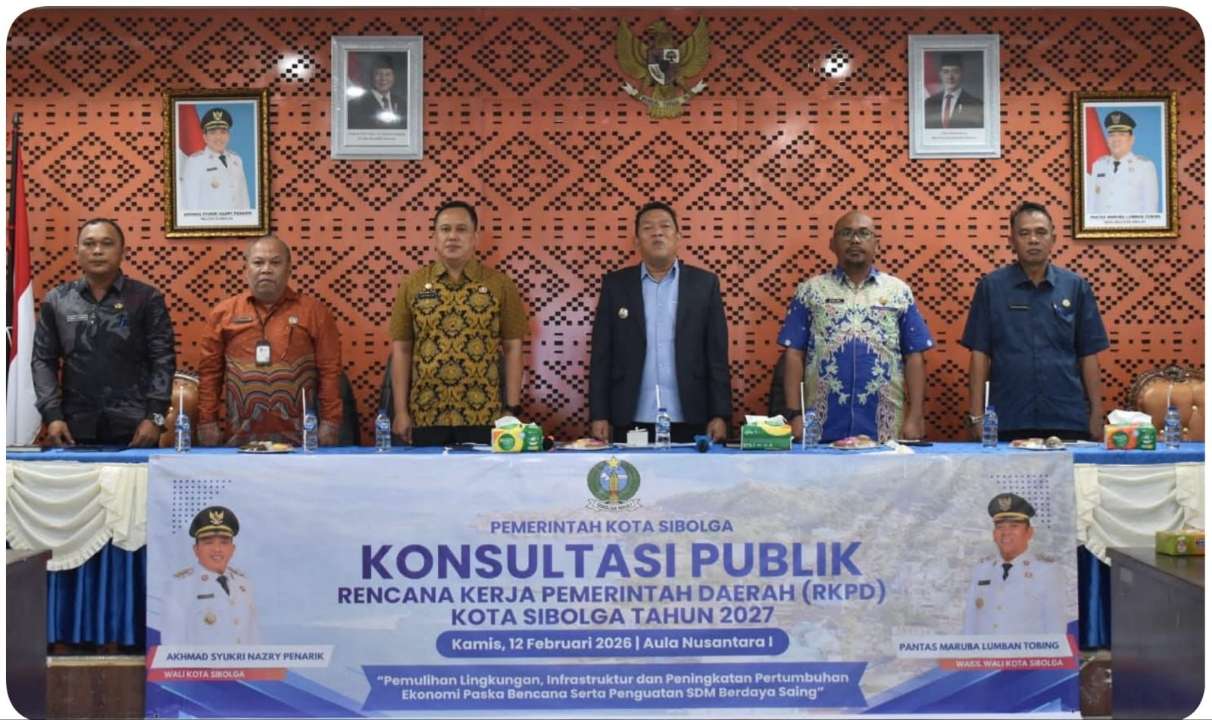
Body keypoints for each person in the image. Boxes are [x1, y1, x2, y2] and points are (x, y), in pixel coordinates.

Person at [778, 210, 933, 443]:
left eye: (864, 233)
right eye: (846, 233)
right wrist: (794, 414)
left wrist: (915, 415)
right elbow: (793, 354)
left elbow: (914, 356)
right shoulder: (810, 291)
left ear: (877, 244)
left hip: (885, 425)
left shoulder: (898, 292)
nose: (855, 240)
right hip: (820, 425)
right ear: (832, 244)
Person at [961, 202, 1108, 441]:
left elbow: (1088, 354)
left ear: (1053, 239)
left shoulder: (1075, 287)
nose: (1033, 240)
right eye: (1024, 233)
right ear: (1012, 240)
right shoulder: (991, 287)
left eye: (1041, 232)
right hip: (1008, 417)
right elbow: (979, 354)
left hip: (1066, 416)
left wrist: (1096, 412)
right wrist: (977, 416)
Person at [588, 201, 731, 443]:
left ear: (678, 237)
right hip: (630, 416)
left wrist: (720, 414)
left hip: (692, 415)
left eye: (665, 226)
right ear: (637, 242)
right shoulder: (616, 285)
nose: (657, 233)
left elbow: (716, 355)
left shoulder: (704, 284)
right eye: (648, 228)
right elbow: (602, 355)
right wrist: (599, 414)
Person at [389, 200, 528, 446]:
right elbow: (401, 350)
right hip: (426, 414)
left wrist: (511, 409)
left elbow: (513, 347)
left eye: (461, 229)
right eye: (445, 229)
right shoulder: (412, 285)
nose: (452, 236)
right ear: (434, 237)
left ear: (475, 238)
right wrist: (400, 412)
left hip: (485, 415)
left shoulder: (500, 284)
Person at [31, 219, 176, 446]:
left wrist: (155, 418)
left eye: (107, 243)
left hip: (136, 427)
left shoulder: (146, 298)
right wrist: (52, 416)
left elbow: (163, 360)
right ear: (77, 252)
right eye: (89, 244)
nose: (97, 251)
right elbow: (43, 361)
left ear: (123, 252)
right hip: (73, 426)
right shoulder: (58, 300)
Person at [196, 236, 342, 446]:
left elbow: (330, 372)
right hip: (239, 441)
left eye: (275, 262)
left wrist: (331, 422)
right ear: (246, 269)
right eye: (258, 262)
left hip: (301, 440)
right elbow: (210, 373)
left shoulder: (314, 313)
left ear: (289, 269)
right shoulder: (223, 314)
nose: (266, 269)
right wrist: (206, 421)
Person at [962, 493, 1067, 636]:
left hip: (1027, 651)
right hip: (985, 650)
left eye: (1014, 526)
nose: (1006, 532)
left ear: (1029, 533)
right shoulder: (981, 569)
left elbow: (1055, 627)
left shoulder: (1047, 571)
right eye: (1000, 527)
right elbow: (970, 623)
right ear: (994, 534)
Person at [161, 506, 259, 645]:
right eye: (208, 543)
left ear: (232, 549)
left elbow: (253, 639)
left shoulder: (243, 584)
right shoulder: (179, 586)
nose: (217, 549)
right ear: (196, 549)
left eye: (224, 543)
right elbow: (173, 644)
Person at [1086, 111, 1159, 215]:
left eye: (1122, 134)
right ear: (1107, 140)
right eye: (1112, 135)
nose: (1116, 139)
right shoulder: (1098, 166)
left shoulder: (1145, 167)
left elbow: (1150, 210)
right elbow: (1090, 206)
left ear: (1131, 139)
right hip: (1100, 225)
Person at [180, 108, 251, 211]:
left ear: (228, 136)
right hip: (208, 221)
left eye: (223, 132)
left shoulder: (236, 160)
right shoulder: (195, 162)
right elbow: (189, 204)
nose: (218, 137)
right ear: (205, 137)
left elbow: (244, 200)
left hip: (237, 220)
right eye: (213, 132)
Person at [924, 53, 983, 129]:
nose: (950, 77)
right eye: (946, 72)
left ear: (962, 74)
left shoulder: (975, 103)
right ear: (940, 75)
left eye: (955, 71)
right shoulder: (929, 103)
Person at [347, 56, 405, 130]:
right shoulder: (354, 106)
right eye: (378, 74)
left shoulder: (403, 104)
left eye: (388, 74)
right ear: (372, 77)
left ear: (393, 77)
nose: (383, 78)